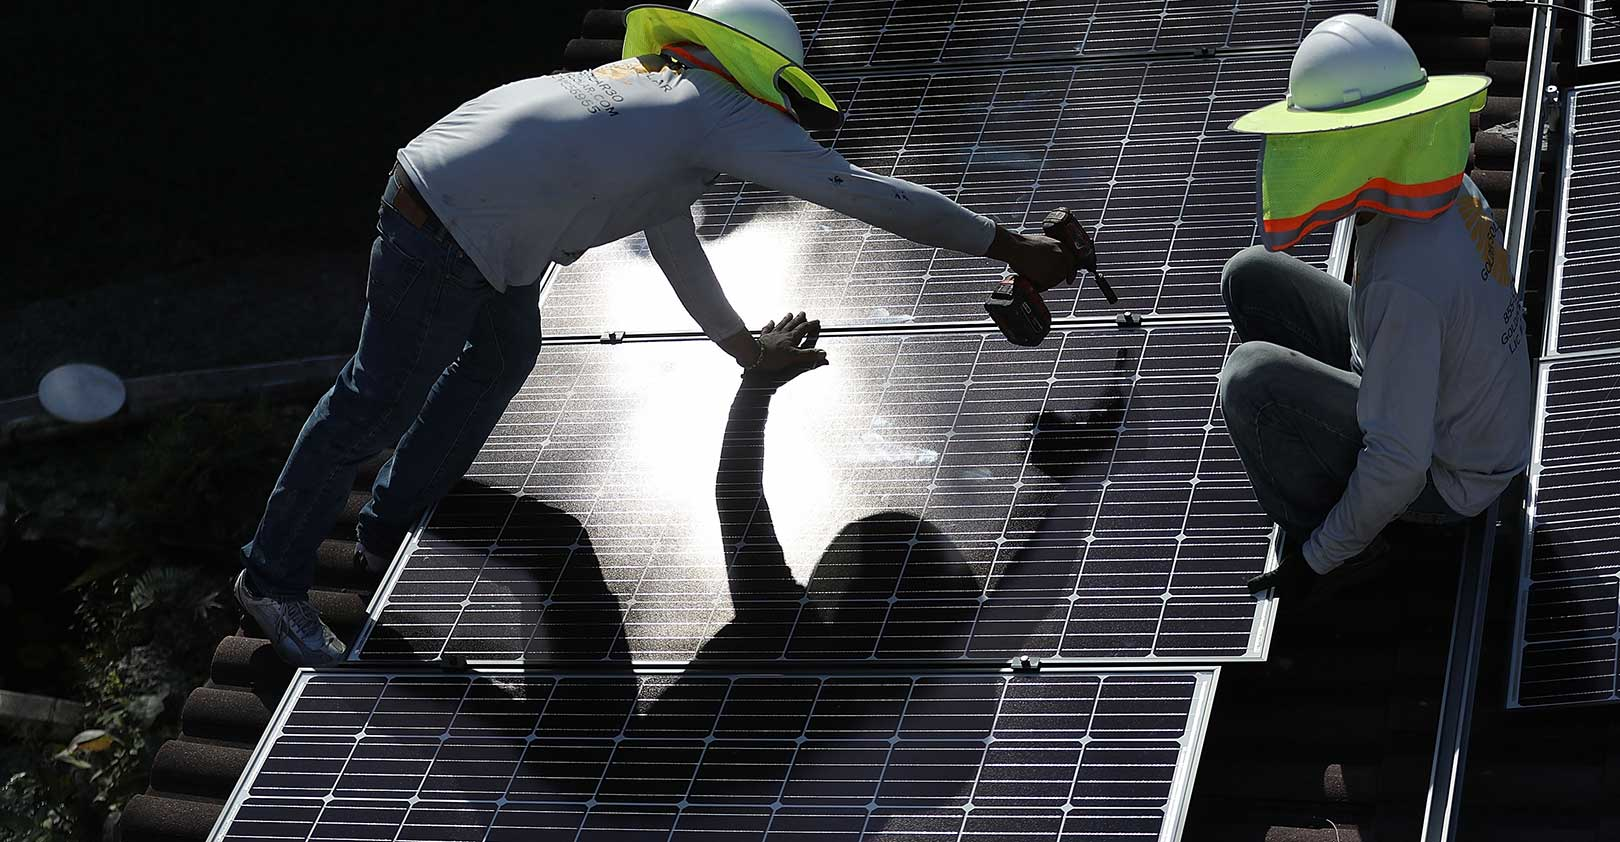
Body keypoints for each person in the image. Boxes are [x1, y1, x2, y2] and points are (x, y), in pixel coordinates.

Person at [235, 0, 1076, 665]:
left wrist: (748, 353)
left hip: (465, 206)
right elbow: (865, 194)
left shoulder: (649, 86)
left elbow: (672, 238)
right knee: (372, 405)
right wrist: (1010, 246)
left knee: (502, 356)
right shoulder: (724, 111)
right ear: (764, 77)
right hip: (456, 232)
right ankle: (271, 582)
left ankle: (387, 523)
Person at [1220, 15, 1532, 600]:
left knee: (1249, 379)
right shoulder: (1432, 186)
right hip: (1440, 393)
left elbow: (1400, 463)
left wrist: (1318, 559)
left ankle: (1343, 547)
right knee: (1249, 275)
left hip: (1450, 477)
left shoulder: (1406, 280)